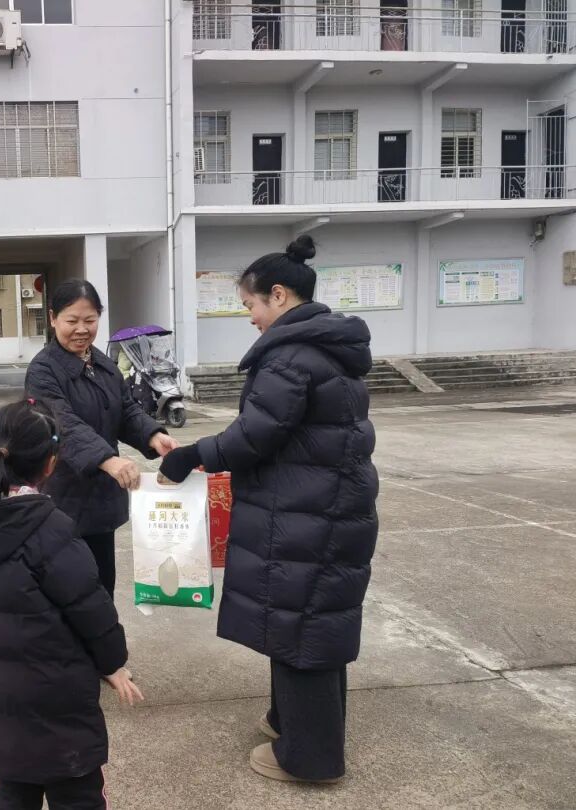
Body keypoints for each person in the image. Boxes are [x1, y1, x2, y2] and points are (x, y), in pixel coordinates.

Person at [159, 235, 379, 784]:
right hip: (322, 508)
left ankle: (310, 758)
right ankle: (291, 725)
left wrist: (190, 455)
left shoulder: (290, 355)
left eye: (250, 305)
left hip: (308, 514)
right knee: (310, 624)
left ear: (278, 295)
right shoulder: (326, 348)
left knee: (301, 629)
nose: (251, 318)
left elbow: (254, 435)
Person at [0, 399, 145, 810]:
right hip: (59, 694)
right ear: (51, 463)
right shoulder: (48, 526)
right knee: (77, 792)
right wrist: (113, 664)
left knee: (15, 786)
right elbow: (90, 607)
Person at [25, 279, 178, 596]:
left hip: (100, 498)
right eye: (72, 320)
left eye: (90, 320)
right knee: (68, 588)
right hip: (63, 496)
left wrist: (153, 435)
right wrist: (107, 459)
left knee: (101, 583)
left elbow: (126, 410)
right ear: (53, 318)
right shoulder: (43, 370)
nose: (81, 329)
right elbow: (62, 422)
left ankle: (102, 628)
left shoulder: (104, 365)